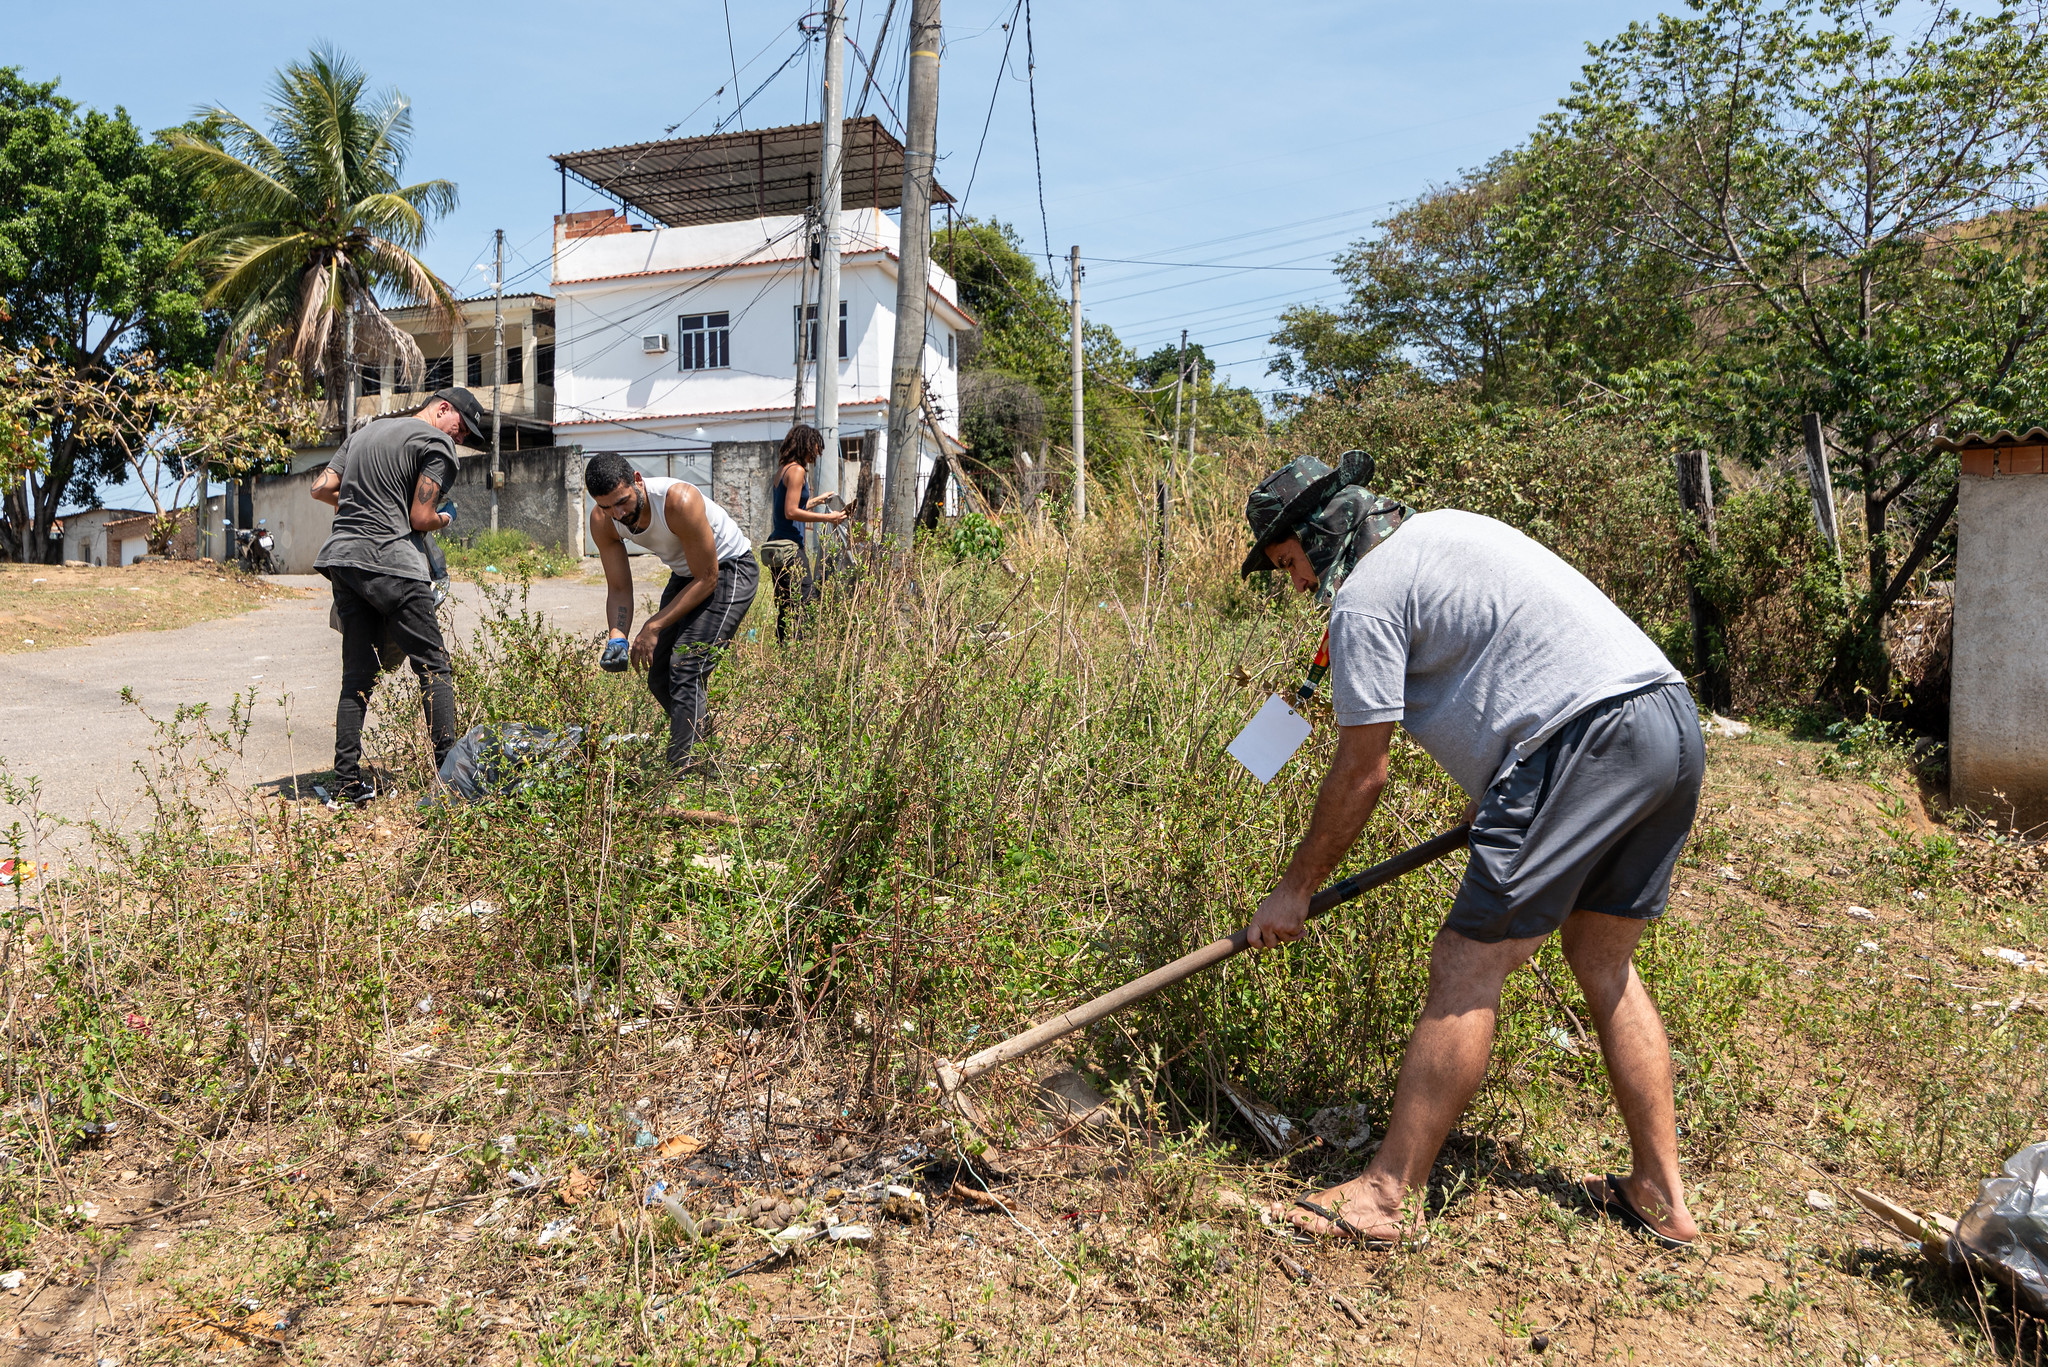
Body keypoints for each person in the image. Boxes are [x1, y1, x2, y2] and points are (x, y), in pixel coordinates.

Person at [1240, 451, 1705, 1251]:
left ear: (1320, 533)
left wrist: (1294, 888)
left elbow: (1362, 772)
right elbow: (1520, 659)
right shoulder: (1447, 533)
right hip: (1666, 724)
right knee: (1602, 958)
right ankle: (1661, 1194)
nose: (1299, 585)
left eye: (1290, 562)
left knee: (1466, 959)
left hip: (1581, 743)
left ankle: (1386, 1195)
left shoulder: (1368, 599)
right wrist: (1504, 793)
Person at [310, 388, 484, 807]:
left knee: (357, 677)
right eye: (461, 429)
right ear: (443, 409)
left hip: (343, 561)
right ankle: (451, 781)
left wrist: (363, 503)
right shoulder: (435, 442)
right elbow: (419, 517)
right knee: (435, 668)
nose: (459, 440)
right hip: (393, 563)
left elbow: (321, 488)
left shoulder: (364, 434)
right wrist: (447, 516)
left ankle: (346, 784)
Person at [585, 453, 758, 774]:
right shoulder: (603, 520)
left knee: (687, 665)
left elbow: (709, 578)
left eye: (622, 501)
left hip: (730, 568)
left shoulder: (678, 500)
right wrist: (617, 638)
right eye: (607, 506)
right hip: (686, 574)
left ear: (637, 480)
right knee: (661, 677)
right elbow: (620, 589)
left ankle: (683, 773)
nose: (618, 513)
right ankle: (705, 751)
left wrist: (653, 625)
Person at [760, 424, 850, 643]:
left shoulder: (783, 469)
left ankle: (783, 653)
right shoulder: (797, 471)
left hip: (776, 547)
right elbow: (791, 512)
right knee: (804, 600)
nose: (816, 454)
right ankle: (802, 651)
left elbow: (791, 506)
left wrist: (818, 501)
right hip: (790, 549)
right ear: (805, 445)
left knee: (784, 605)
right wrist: (830, 518)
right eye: (815, 448)